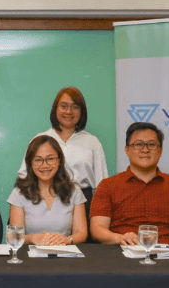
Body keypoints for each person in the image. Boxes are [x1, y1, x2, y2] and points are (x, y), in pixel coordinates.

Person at [90, 122, 169, 247]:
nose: (145, 150)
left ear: (160, 150)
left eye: (151, 145)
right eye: (138, 144)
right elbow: (97, 229)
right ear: (127, 150)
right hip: (123, 250)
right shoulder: (108, 185)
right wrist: (119, 238)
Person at [18, 86, 108, 217]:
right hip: (45, 202)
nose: (69, 111)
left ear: (82, 111)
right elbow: (24, 177)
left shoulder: (92, 142)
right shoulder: (40, 140)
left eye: (75, 107)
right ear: (55, 109)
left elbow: (102, 185)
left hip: (84, 203)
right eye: (63, 106)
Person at [8, 135, 87, 245]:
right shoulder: (19, 193)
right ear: (30, 163)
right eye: (38, 160)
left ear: (59, 160)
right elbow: (13, 236)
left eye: (50, 159)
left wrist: (67, 239)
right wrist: (33, 238)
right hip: (30, 252)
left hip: (64, 250)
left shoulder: (74, 191)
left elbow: (81, 233)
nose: (45, 165)